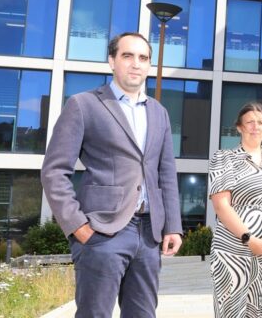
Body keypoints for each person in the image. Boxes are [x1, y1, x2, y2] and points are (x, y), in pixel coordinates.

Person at [41, 32, 183, 318]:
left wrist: (173, 226)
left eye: (143, 58)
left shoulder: (159, 112)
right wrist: (77, 226)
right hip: (103, 232)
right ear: (112, 61)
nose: (136, 64)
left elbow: (166, 172)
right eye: (127, 56)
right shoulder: (84, 105)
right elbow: (54, 171)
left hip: (149, 235)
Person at [207, 102, 262, 317]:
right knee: (230, 310)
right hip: (232, 248)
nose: (255, 127)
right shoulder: (223, 158)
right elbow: (221, 205)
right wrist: (249, 239)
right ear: (239, 127)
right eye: (249, 122)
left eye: (260, 122)